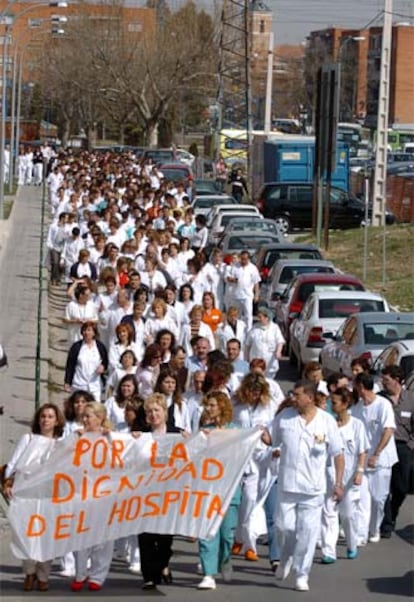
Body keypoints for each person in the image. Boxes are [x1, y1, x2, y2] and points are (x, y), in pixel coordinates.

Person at [271, 379, 344, 592]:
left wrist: (338, 483)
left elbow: (338, 454)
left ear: (309, 398)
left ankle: (302, 574)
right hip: (287, 485)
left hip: (313, 489)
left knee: (307, 533)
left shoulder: (326, 421)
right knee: (284, 527)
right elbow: (272, 441)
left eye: (297, 395)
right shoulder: (284, 418)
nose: (293, 398)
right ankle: (286, 558)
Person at [3, 403, 65, 592]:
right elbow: (13, 463)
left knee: (46, 535)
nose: (46, 420)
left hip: (48, 495)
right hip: (26, 493)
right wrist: (7, 482)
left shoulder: (60, 445)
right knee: (26, 533)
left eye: (50, 417)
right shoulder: (28, 439)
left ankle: (43, 575)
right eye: (43, 416)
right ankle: (29, 572)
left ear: (56, 421)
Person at [232, 373, 279, 561]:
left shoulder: (269, 407)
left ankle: (248, 544)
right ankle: (240, 538)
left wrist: (274, 445)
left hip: (262, 457)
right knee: (242, 500)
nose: (254, 394)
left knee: (253, 500)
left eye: (258, 391)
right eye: (251, 391)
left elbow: (276, 430)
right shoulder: (236, 406)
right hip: (241, 456)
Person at [196, 391, 241, 590]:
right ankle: (208, 573)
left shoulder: (236, 431)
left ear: (222, 407)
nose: (208, 409)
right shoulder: (205, 431)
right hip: (208, 491)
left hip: (229, 490)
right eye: (207, 405)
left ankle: (225, 560)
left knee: (227, 535)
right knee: (207, 533)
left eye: (212, 405)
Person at [138, 393, 182, 590]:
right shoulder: (140, 436)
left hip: (168, 493)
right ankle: (149, 576)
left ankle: (163, 563)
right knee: (146, 536)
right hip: (145, 493)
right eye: (150, 411)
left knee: (164, 538)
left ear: (165, 412)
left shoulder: (178, 434)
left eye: (157, 410)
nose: (153, 414)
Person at [320, 387, 368, 563]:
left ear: (346, 404)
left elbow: (362, 451)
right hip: (329, 474)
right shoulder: (327, 422)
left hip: (349, 477)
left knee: (347, 515)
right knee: (329, 513)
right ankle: (329, 551)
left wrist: (360, 471)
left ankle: (351, 544)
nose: (332, 405)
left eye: (335, 402)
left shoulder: (357, 425)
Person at [71, 403, 115, 592]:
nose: (86, 419)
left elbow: (126, 455)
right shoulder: (77, 436)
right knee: (79, 535)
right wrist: (75, 440)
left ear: (99, 418)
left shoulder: (110, 438)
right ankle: (81, 573)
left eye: (89, 416)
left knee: (103, 538)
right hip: (82, 493)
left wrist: (113, 437)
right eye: (85, 416)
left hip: (105, 494)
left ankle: (98, 575)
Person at [352, 372, 398, 545]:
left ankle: (375, 528)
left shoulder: (383, 404)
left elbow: (388, 430)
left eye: (355, 386)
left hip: (382, 460)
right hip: (362, 460)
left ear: (361, 387)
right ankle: (361, 533)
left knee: (378, 498)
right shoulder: (356, 408)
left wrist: (376, 453)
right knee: (362, 498)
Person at [379, 365, 414, 537]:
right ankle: (386, 524)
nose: (383, 384)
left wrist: (410, 445)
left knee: (401, 487)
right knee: (384, 487)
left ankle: (393, 511)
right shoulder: (380, 399)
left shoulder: (410, 399)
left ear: (397, 380)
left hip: (403, 447)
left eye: (386, 380)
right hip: (384, 446)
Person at [64, 321, 108, 402]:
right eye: (84, 330)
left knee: (95, 409)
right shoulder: (76, 347)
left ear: (94, 333)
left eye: (89, 330)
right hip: (79, 383)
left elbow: (105, 361)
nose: (86, 333)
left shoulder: (100, 346)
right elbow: (70, 365)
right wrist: (67, 382)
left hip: (95, 385)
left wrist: (103, 366)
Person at [245, 307, 285, 378]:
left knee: (268, 382)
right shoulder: (254, 328)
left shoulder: (274, 328)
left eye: (261, 317)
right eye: (258, 317)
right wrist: (246, 358)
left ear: (267, 317)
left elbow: (280, 341)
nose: (259, 319)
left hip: (269, 361)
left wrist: (278, 352)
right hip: (256, 361)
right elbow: (247, 344)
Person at [230, 251, 260, 331]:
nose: (243, 261)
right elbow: (229, 278)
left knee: (248, 315)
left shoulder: (253, 268)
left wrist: (256, 294)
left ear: (248, 259)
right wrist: (232, 280)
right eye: (242, 259)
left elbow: (256, 282)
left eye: (245, 259)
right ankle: (236, 330)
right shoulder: (235, 267)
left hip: (247, 295)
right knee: (236, 315)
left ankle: (248, 331)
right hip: (236, 295)